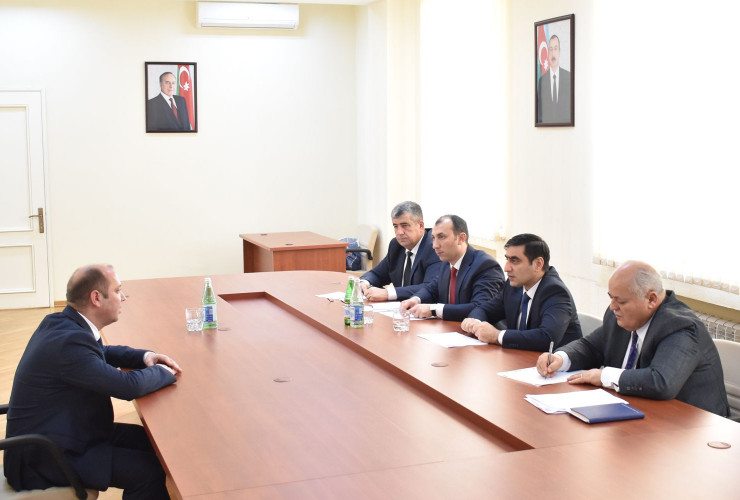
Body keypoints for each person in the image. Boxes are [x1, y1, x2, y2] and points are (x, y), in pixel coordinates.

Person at [4, 265, 183, 498]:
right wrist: (163, 372)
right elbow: (127, 386)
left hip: (67, 431)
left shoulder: (62, 324)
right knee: (147, 472)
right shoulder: (68, 343)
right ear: (96, 298)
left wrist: (145, 356)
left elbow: (101, 352)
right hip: (44, 457)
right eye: (118, 290)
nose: (123, 297)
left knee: (150, 442)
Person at [536, 261, 729, 417]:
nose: (613, 307)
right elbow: (591, 347)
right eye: (611, 297)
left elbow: (661, 382)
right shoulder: (621, 316)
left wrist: (603, 376)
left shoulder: (681, 327)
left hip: (691, 429)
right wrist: (561, 358)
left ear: (651, 299)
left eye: (620, 301)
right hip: (636, 413)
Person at [461, 233, 582, 350]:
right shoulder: (514, 285)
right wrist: (475, 322)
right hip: (519, 358)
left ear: (538, 264)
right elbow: (485, 309)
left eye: (515, 261)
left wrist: (497, 336)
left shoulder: (556, 292)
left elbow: (546, 338)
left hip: (553, 362)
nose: (506, 268)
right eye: (507, 259)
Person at [400, 215, 504, 322]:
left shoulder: (486, 265)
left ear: (461, 238)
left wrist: (434, 309)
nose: (435, 245)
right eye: (433, 238)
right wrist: (416, 299)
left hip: (474, 330)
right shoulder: (447, 262)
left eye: (441, 237)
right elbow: (432, 289)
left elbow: (480, 308)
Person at [359, 201, 443, 302]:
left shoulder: (434, 247)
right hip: (399, 308)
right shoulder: (396, 245)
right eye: (395, 226)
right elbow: (377, 274)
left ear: (420, 225)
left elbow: (429, 288)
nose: (399, 232)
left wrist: (388, 293)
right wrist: (364, 282)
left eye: (405, 225)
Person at [537, 34, 571, 124]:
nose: (553, 53)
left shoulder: (569, 78)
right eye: (551, 49)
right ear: (548, 53)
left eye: (555, 49)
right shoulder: (542, 81)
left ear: (559, 52)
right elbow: (539, 115)